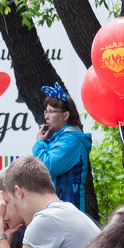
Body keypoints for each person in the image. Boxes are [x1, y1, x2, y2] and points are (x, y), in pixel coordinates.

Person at [31, 85, 93, 213]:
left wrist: (39, 143)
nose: (46, 117)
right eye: (46, 112)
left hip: (67, 210)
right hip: (58, 208)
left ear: (66, 115)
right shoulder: (59, 137)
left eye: (51, 112)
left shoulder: (72, 140)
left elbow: (46, 168)